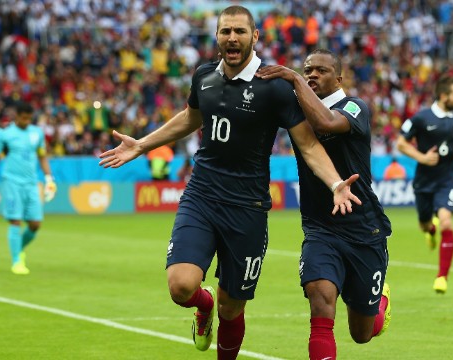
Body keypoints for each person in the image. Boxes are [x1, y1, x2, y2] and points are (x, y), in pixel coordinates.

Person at [98, 6, 361, 359]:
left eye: (239, 31)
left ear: (254, 36)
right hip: (202, 196)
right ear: (217, 37)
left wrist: (334, 183)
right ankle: (201, 305)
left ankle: (216, 314)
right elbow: (190, 117)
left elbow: (309, 144)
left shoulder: (275, 88)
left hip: (247, 208)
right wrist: (143, 144)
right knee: (181, 286)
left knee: (232, 309)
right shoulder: (204, 76)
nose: (232, 38)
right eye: (225, 32)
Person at [257, 49, 392, 359]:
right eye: (307, 70)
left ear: (339, 78)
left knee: (362, 333)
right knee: (320, 296)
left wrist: (291, 77)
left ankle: (379, 301)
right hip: (321, 228)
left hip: (364, 229)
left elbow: (328, 122)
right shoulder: (299, 107)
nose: (312, 75)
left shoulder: (355, 108)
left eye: (320, 71)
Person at [396, 75, 453, 294]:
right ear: (444, 95)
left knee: (446, 223)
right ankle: (429, 230)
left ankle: (442, 277)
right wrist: (422, 158)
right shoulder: (421, 117)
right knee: (425, 223)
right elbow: (401, 143)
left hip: (447, 179)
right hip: (424, 180)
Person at [0, 102, 57, 275]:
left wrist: (49, 179)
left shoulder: (37, 133)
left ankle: (18, 249)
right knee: (15, 220)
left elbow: (42, 157)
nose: (26, 121)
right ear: (16, 116)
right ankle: (17, 261)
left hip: (32, 183)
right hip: (12, 182)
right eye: (23, 118)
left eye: (28, 118)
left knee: (35, 224)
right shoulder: (5, 135)